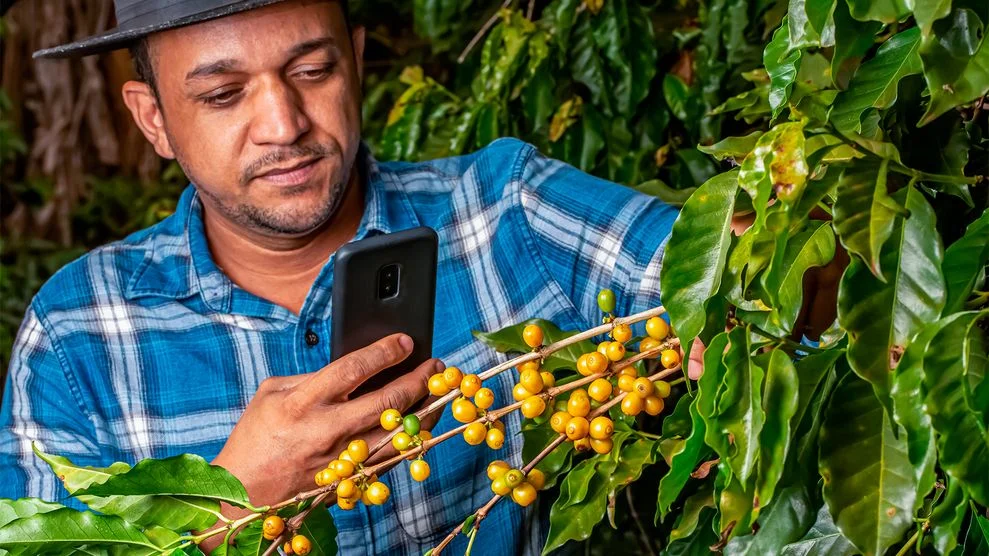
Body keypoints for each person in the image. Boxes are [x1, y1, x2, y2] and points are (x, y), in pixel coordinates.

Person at [0, 0, 839, 554]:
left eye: (311, 71)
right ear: (153, 120)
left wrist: (772, 276)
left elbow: (759, 272)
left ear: (356, 61)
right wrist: (229, 505)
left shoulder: (502, 211)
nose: (283, 124)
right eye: (223, 95)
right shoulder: (82, 335)